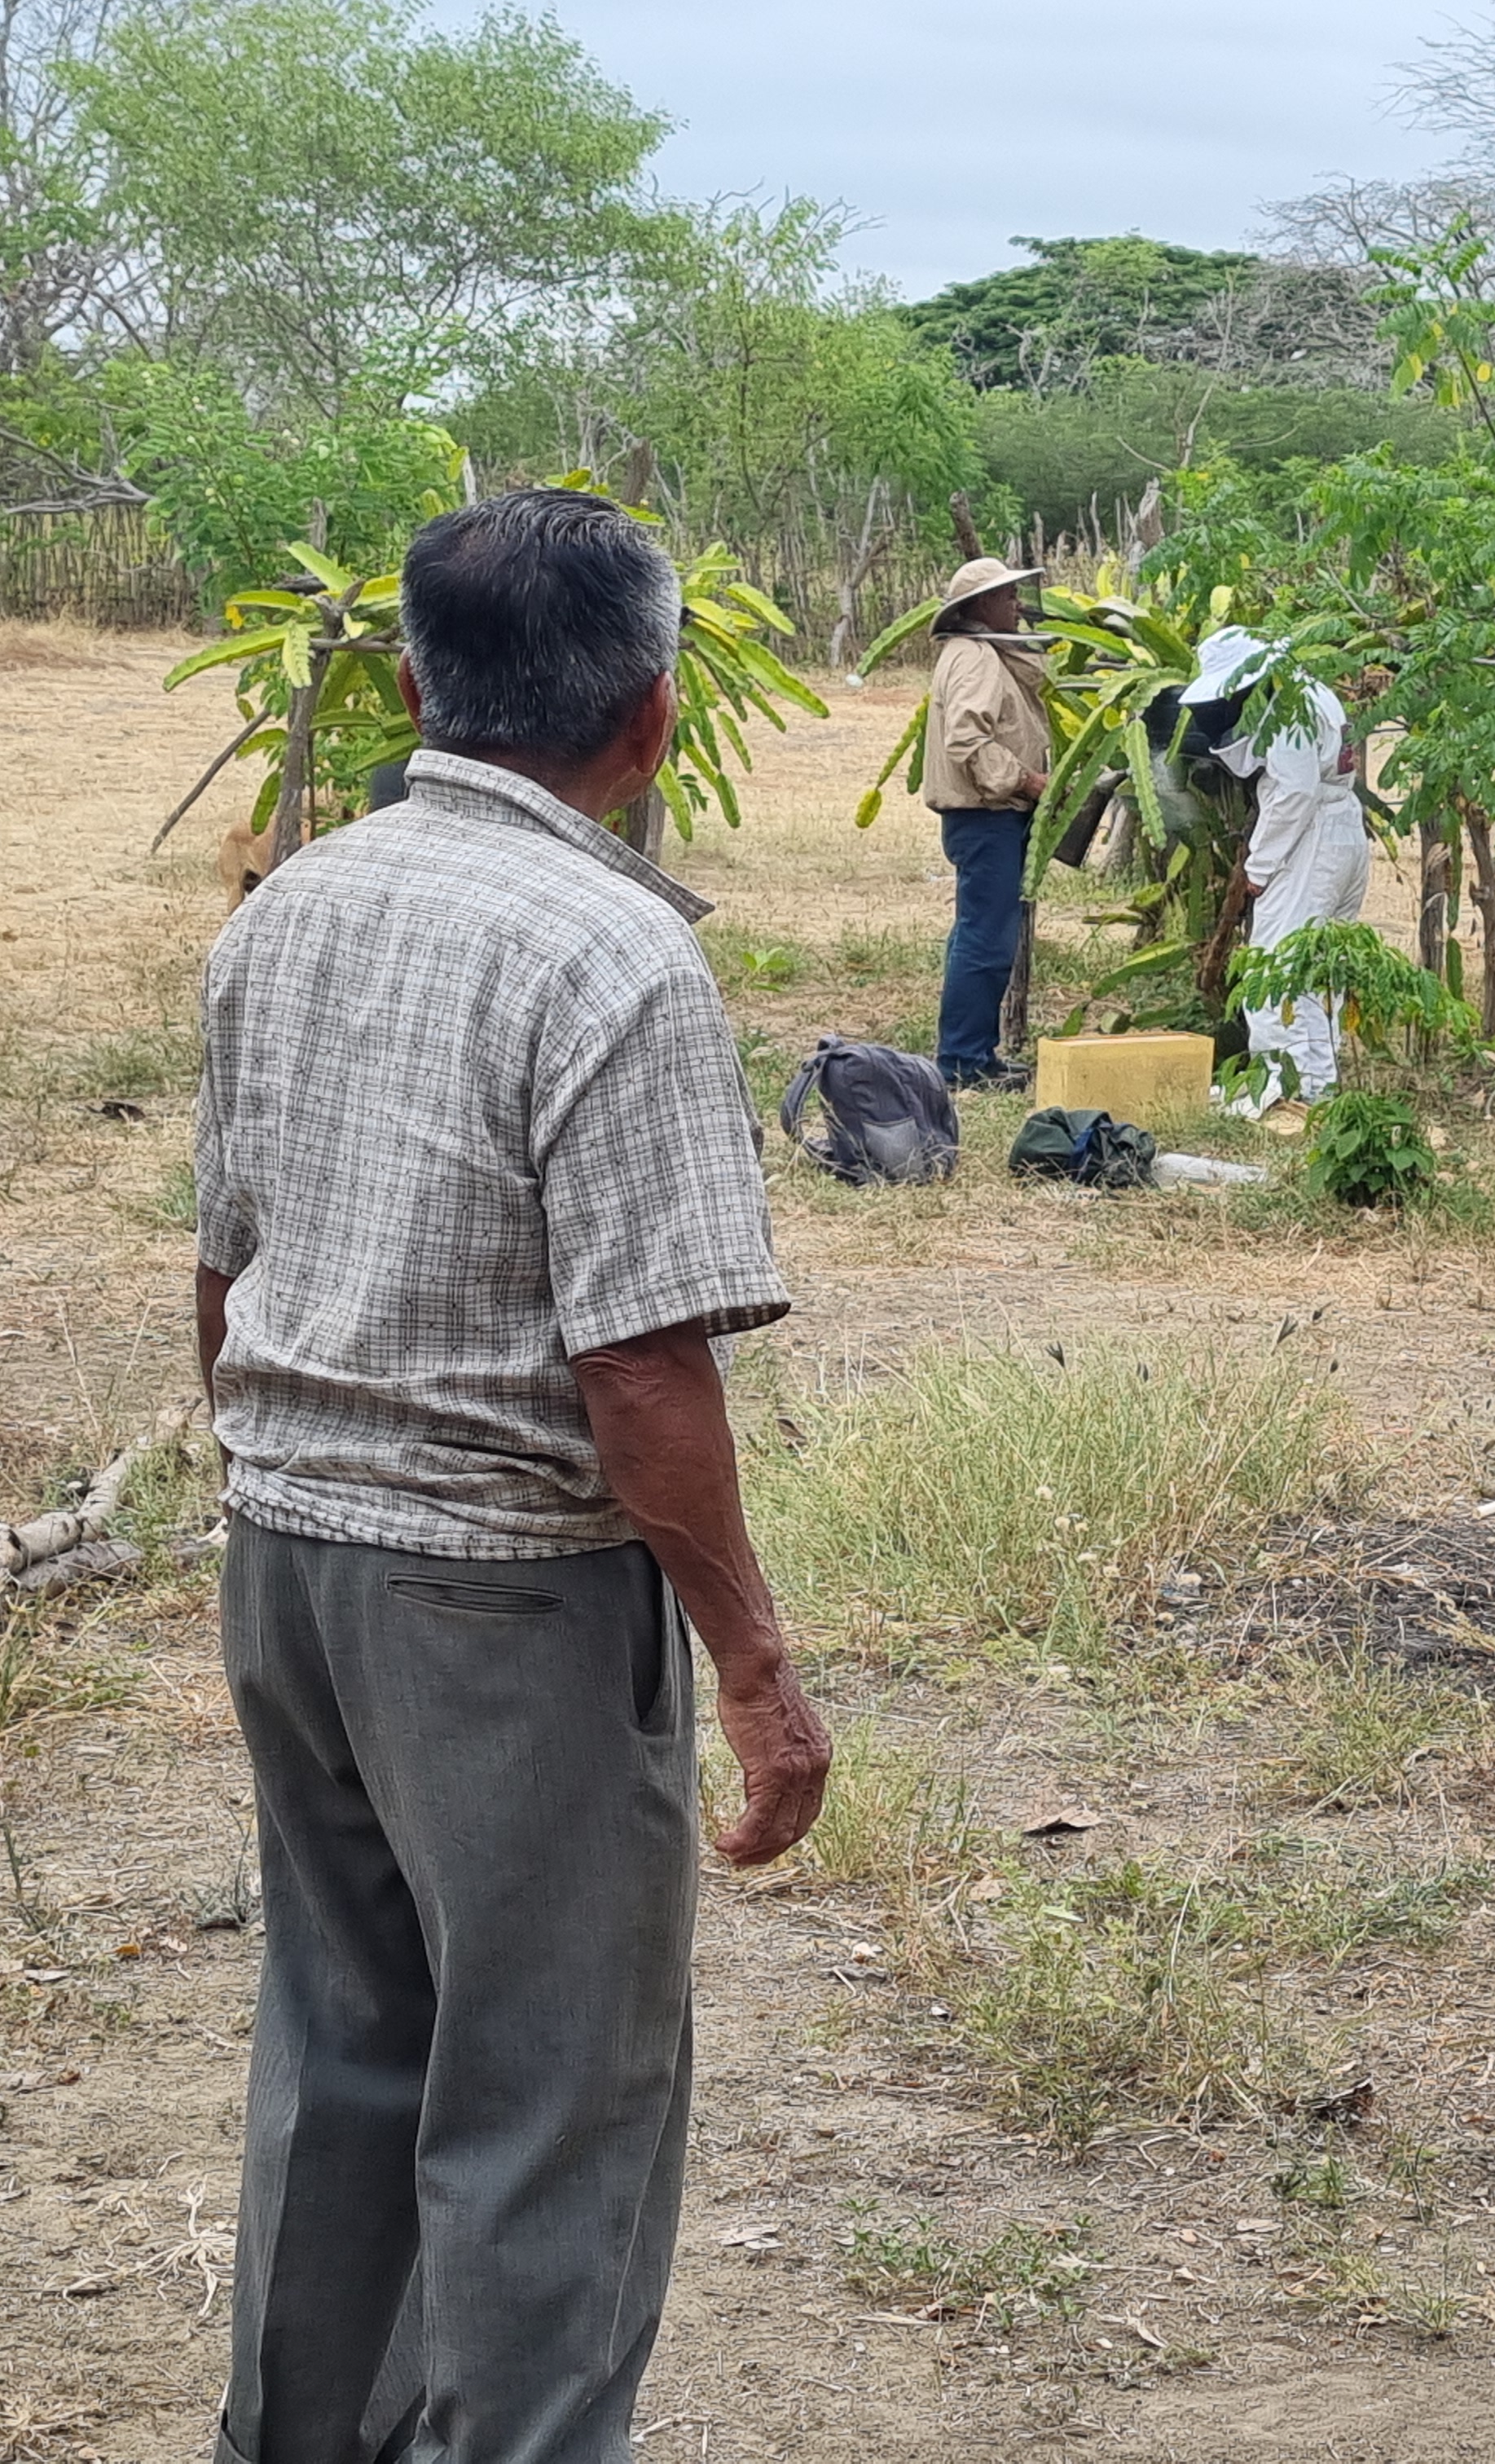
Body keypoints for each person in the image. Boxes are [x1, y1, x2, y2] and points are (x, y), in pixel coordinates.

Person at [192, 487, 834, 2462]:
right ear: (654, 716)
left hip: (290, 1555)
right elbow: (637, 1367)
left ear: (412, 688)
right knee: (552, 2104)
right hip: (502, 1595)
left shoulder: (292, 903)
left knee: (344, 2046)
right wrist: (753, 1663)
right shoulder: (616, 958)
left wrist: (281, 1492)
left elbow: (223, 1270)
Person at [1192, 625, 1372, 1132]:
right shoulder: (1315, 692)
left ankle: (1283, 1086)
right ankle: (1316, 1086)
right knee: (1319, 967)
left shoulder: (1289, 709)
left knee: (1276, 968)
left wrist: (1259, 867)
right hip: (1342, 828)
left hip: (1311, 838)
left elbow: (1295, 792)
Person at [921, 554, 1053, 1089]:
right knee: (987, 940)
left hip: (987, 815)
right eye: (1006, 596)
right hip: (986, 815)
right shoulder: (974, 657)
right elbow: (968, 738)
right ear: (980, 605)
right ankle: (964, 1061)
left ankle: (973, 1053)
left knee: (980, 933)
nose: (1016, 604)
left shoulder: (980, 653)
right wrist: (1028, 781)